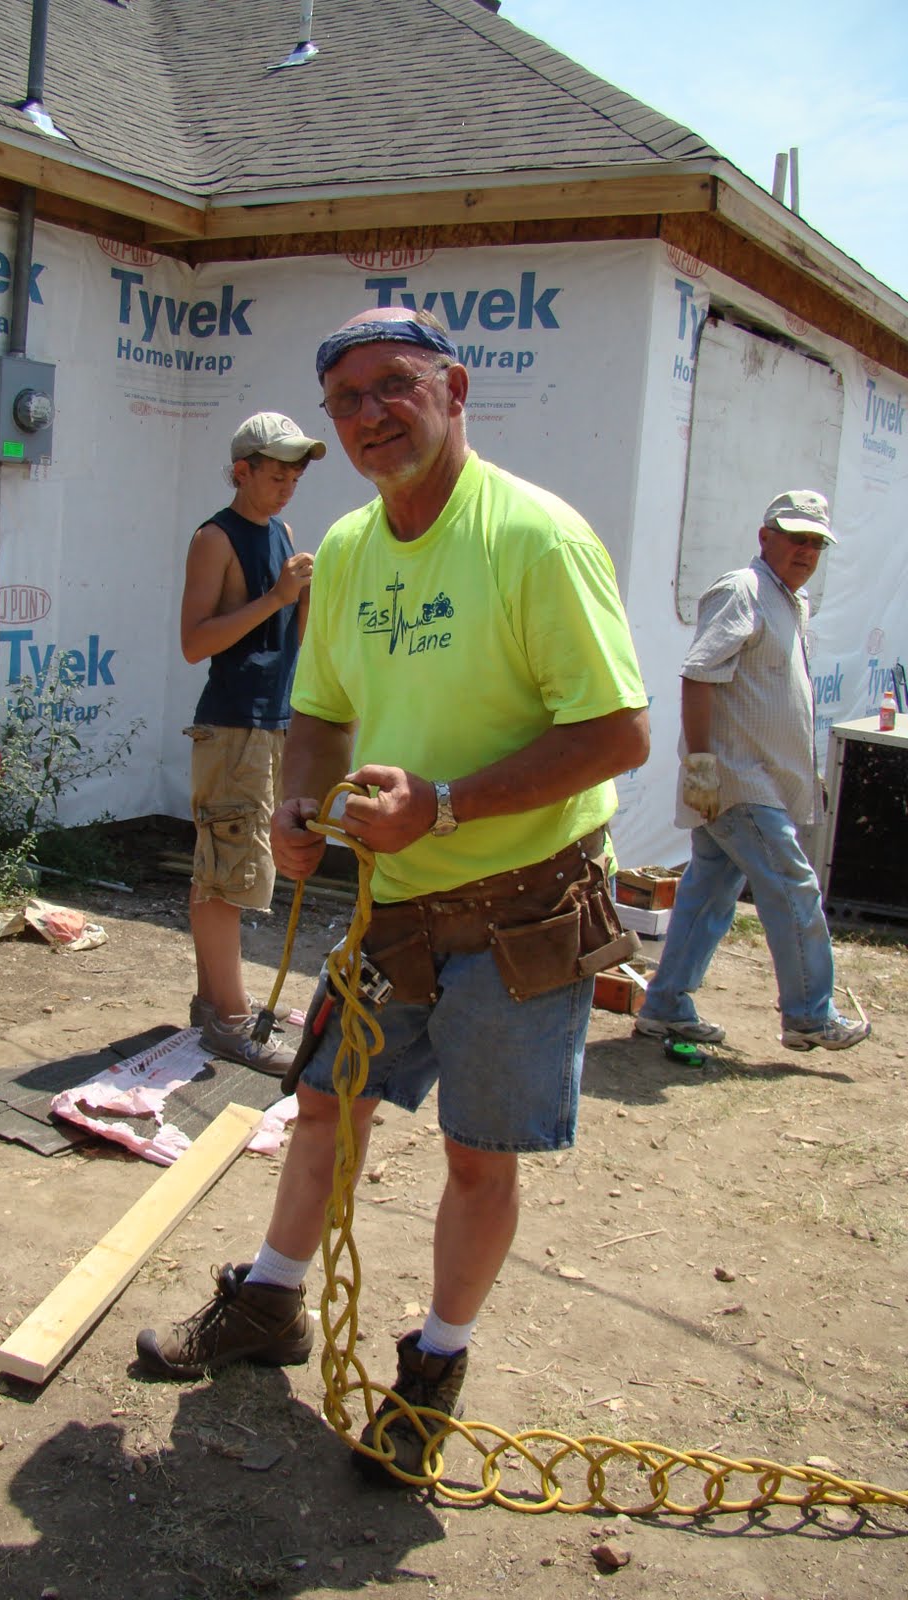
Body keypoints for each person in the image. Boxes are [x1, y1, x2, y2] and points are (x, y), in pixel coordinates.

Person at [137, 308, 650, 1480]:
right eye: (346, 400)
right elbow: (317, 709)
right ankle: (270, 1305)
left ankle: (435, 1370)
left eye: (393, 386)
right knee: (324, 1106)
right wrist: (297, 802)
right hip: (397, 905)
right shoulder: (356, 548)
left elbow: (619, 733)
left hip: (522, 905)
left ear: (454, 387)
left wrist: (448, 806)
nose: (370, 415)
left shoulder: (534, 538)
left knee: (478, 1153)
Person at [634, 491, 870, 1054]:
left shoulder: (791, 599)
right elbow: (698, 675)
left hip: (750, 780)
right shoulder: (742, 589)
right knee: (793, 887)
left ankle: (665, 1005)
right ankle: (810, 1016)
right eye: (796, 538)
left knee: (710, 890)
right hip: (738, 782)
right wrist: (702, 768)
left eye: (816, 542)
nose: (806, 551)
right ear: (765, 537)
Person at [181, 411, 325, 1074]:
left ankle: (215, 1008)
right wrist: (275, 596)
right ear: (242, 471)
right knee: (228, 875)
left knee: (227, 867)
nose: (289, 484)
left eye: (296, 473)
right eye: (276, 472)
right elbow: (194, 643)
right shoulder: (215, 537)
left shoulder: (284, 533)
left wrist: (301, 603)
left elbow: (288, 644)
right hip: (231, 725)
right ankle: (233, 1021)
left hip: (264, 725)